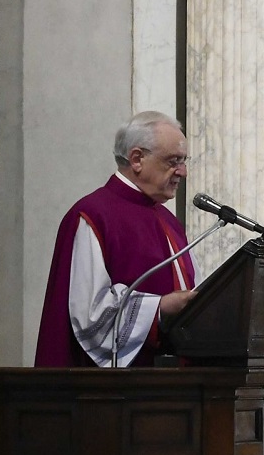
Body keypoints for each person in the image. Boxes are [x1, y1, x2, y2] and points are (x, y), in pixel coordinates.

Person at [33, 112, 198, 367]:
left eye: (184, 161)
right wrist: (160, 307)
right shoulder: (94, 215)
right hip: (112, 394)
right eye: (173, 161)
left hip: (178, 386)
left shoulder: (168, 221)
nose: (183, 172)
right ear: (137, 159)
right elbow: (90, 316)